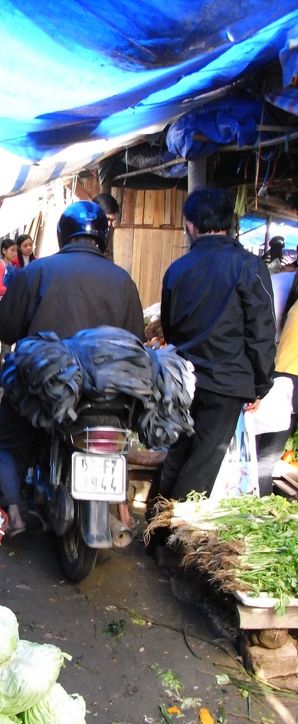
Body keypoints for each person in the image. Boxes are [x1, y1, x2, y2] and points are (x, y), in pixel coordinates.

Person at [0, 201, 145, 538]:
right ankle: (122, 512)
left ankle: (13, 512)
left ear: (62, 235)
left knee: (5, 439)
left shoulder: (36, 272)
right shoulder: (123, 280)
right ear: (102, 236)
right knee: (122, 438)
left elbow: (3, 328)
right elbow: (136, 341)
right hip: (107, 394)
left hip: (46, 388)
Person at [155, 187, 276, 505]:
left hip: (184, 379)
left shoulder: (177, 270)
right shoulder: (248, 266)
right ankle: (170, 543)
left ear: (190, 225)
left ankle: (156, 528)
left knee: (179, 451)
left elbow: (169, 327)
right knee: (203, 461)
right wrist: (260, 384)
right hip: (226, 383)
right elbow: (261, 331)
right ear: (231, 222)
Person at [256, 273, 298, 495]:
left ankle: (260, 499)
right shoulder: (284, 287)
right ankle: (259, 501)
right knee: (268, 454)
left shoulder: (283, 286)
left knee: (268, 452)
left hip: (282, 375)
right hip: (287, 379)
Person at [0, 238, 18, 368]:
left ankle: (5, 370)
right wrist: (14, 290)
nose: (14, 253)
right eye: (12, 250)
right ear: (4, 250)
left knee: (7, 343)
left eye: (16, 251)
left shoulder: (11, 267)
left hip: (9, 306)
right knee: (6, 343)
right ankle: (3, 372)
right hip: (2, 307)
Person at [93, 193, 120, 261]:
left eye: (112, 220)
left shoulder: (109, 230)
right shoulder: (81, 232)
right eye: (107, 219)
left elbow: (109, 257)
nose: (109, 224)